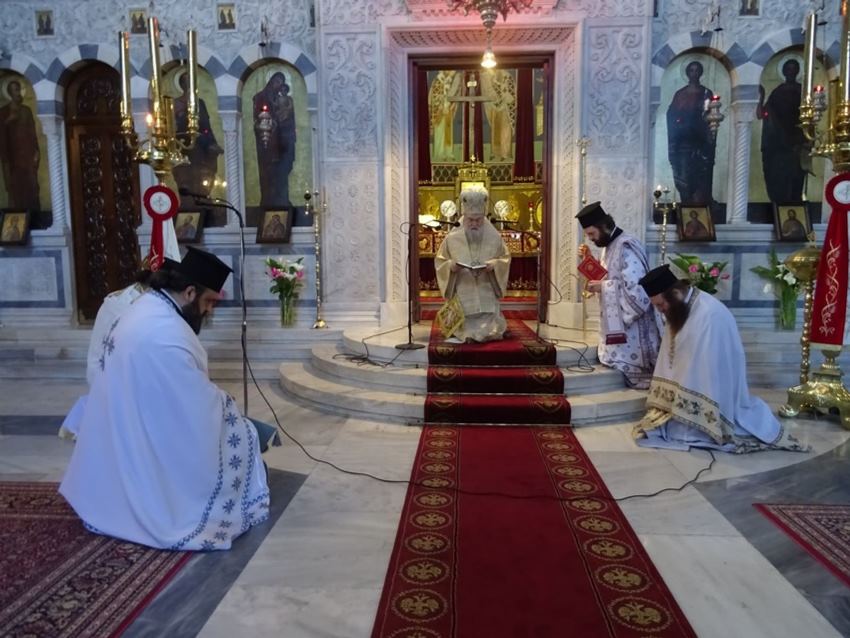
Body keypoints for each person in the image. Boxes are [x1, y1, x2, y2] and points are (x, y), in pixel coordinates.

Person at [60, 247, 278, 551]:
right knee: (243, 443)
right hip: (141, 441)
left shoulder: (145, 307)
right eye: (208, 302)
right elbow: (195, 410)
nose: (209, 311)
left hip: (120, 437)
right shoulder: (167, 333)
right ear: (189, 292)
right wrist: (229, 408)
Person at [633, 265, 807, 453]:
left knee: (685, 431)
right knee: (668, 429)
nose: (660, 311)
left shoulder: (710, 314)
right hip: (687, 386)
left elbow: (709, 366)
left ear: (675, 293)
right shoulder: (678, 309)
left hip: (713, 386)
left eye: (660, 305)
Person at [577, 201, 661, 389]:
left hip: (634, 328)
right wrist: (590, 262)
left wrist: (603, 287)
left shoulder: (626, 246)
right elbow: (609, 275)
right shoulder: (609, 245)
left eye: (592, 234)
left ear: (604, 226)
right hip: (618, 328)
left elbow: (638, 291)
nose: (590, 238)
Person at [435, 187, 511, 342]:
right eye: (470, 220)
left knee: (491, 330)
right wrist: (451, 266)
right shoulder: (452, 238)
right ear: (464, 216)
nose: (475, 224)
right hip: (463, 290)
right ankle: (464, 331)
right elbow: (440, 261)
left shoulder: (495, 237)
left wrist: (495, 264)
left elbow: (505, 258)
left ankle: (488, 330)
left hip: (486, 288)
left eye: (479, 220)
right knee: (465, 325)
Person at [757, 59, 808, 204]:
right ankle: (778, 203)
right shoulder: (777, 92)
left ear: (797, 71)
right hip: (777, 143)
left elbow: (808, 116)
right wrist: (761, 97)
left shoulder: (802, 91)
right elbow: (764, 114)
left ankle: (794, 201)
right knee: (776, 175)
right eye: (788, 69)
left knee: (795, 175)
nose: (790, 72)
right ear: (784, 71)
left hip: (796, 141)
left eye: (793, 69)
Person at [667, 61, 715, 205]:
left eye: (697, 70)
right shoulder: (680, 94)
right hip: (683, 142)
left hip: (700, 141)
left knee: (700, 174)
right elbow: (671, 114)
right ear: (687, 73)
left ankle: (700, 203)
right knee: (683, 174)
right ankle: (686, 203)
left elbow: (710, 115)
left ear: (700, 73)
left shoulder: (706, 93)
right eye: (691, 70)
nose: (694, 73)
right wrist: (681, 121)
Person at [173, 72, 223, 201]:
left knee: (204, 173)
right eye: (186, 81)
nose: (189, 84)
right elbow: (173, 126)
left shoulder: (200, 102)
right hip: (183, 144)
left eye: (191, 81)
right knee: (186, 175)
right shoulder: (176, 103)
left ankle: (203, 199)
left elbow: (206, 125)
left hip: (201, 143)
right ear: (182, 85)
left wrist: (212, 142)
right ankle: (188, 203)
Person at [253, 72, 296, 207]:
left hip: (282, 143)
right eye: (276, 82)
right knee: (268, 172)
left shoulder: (283, 99)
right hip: (267, 144)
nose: (278, 86)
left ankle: (282, 200)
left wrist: (285, 120)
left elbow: (289, 117)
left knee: (282, 171)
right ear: (270, 82)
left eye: (281, 83)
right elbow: (259, 118)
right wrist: (272, 121)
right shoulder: (260, 97)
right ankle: (268, 201)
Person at [0, 80, 41, 211]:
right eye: (15, 90)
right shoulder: (3, 112)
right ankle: (16, 215)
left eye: (19, 89)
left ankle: (34, 214)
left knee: (32, 185)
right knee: (15, 186)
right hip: (13, 158)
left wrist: (36, 151)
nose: (18, 93)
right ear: (10, 93)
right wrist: (8, 121)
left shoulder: (26, 111)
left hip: (28, 155)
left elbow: (32, 133)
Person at [480, 69, 516, 162]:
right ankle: (495, 152)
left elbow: (512, 92)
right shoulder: (490, 77)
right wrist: (496, 100)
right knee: (495, 130)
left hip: (505, 108)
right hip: (495, 107)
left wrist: (505, 98)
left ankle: (505, 153)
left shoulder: (507, 76)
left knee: (505, 130)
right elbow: (488, 91)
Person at [429, 70, 461, 162]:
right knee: (439, 132)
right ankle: (439, 153)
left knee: (448, 132)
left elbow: (454, 95)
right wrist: (442, 107)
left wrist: (450, 105)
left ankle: (448, 153)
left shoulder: (451, 81)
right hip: (439, 111)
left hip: (448, 110)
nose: (449, 72)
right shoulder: (438, 80)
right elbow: (435, 96)